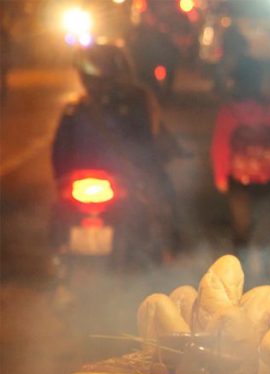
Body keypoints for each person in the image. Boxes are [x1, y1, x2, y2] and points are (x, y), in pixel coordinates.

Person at [52, 42, 180, 261]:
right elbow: (150, 141)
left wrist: (64, 181)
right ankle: (170, 252)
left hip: (83, 184)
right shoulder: (138, 101)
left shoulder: (75, 108)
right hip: (125, 179)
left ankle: (59, 252)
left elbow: (58, 154)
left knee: (59, 212)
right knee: (165, 198)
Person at [211, 56, 270, 281]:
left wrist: (221, 175)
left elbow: (221, 145)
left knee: (242, 230)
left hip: (239, 179)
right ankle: (264, 275)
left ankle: (243, 276)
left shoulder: (229, 110)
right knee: (265, 230)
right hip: (266, 178)